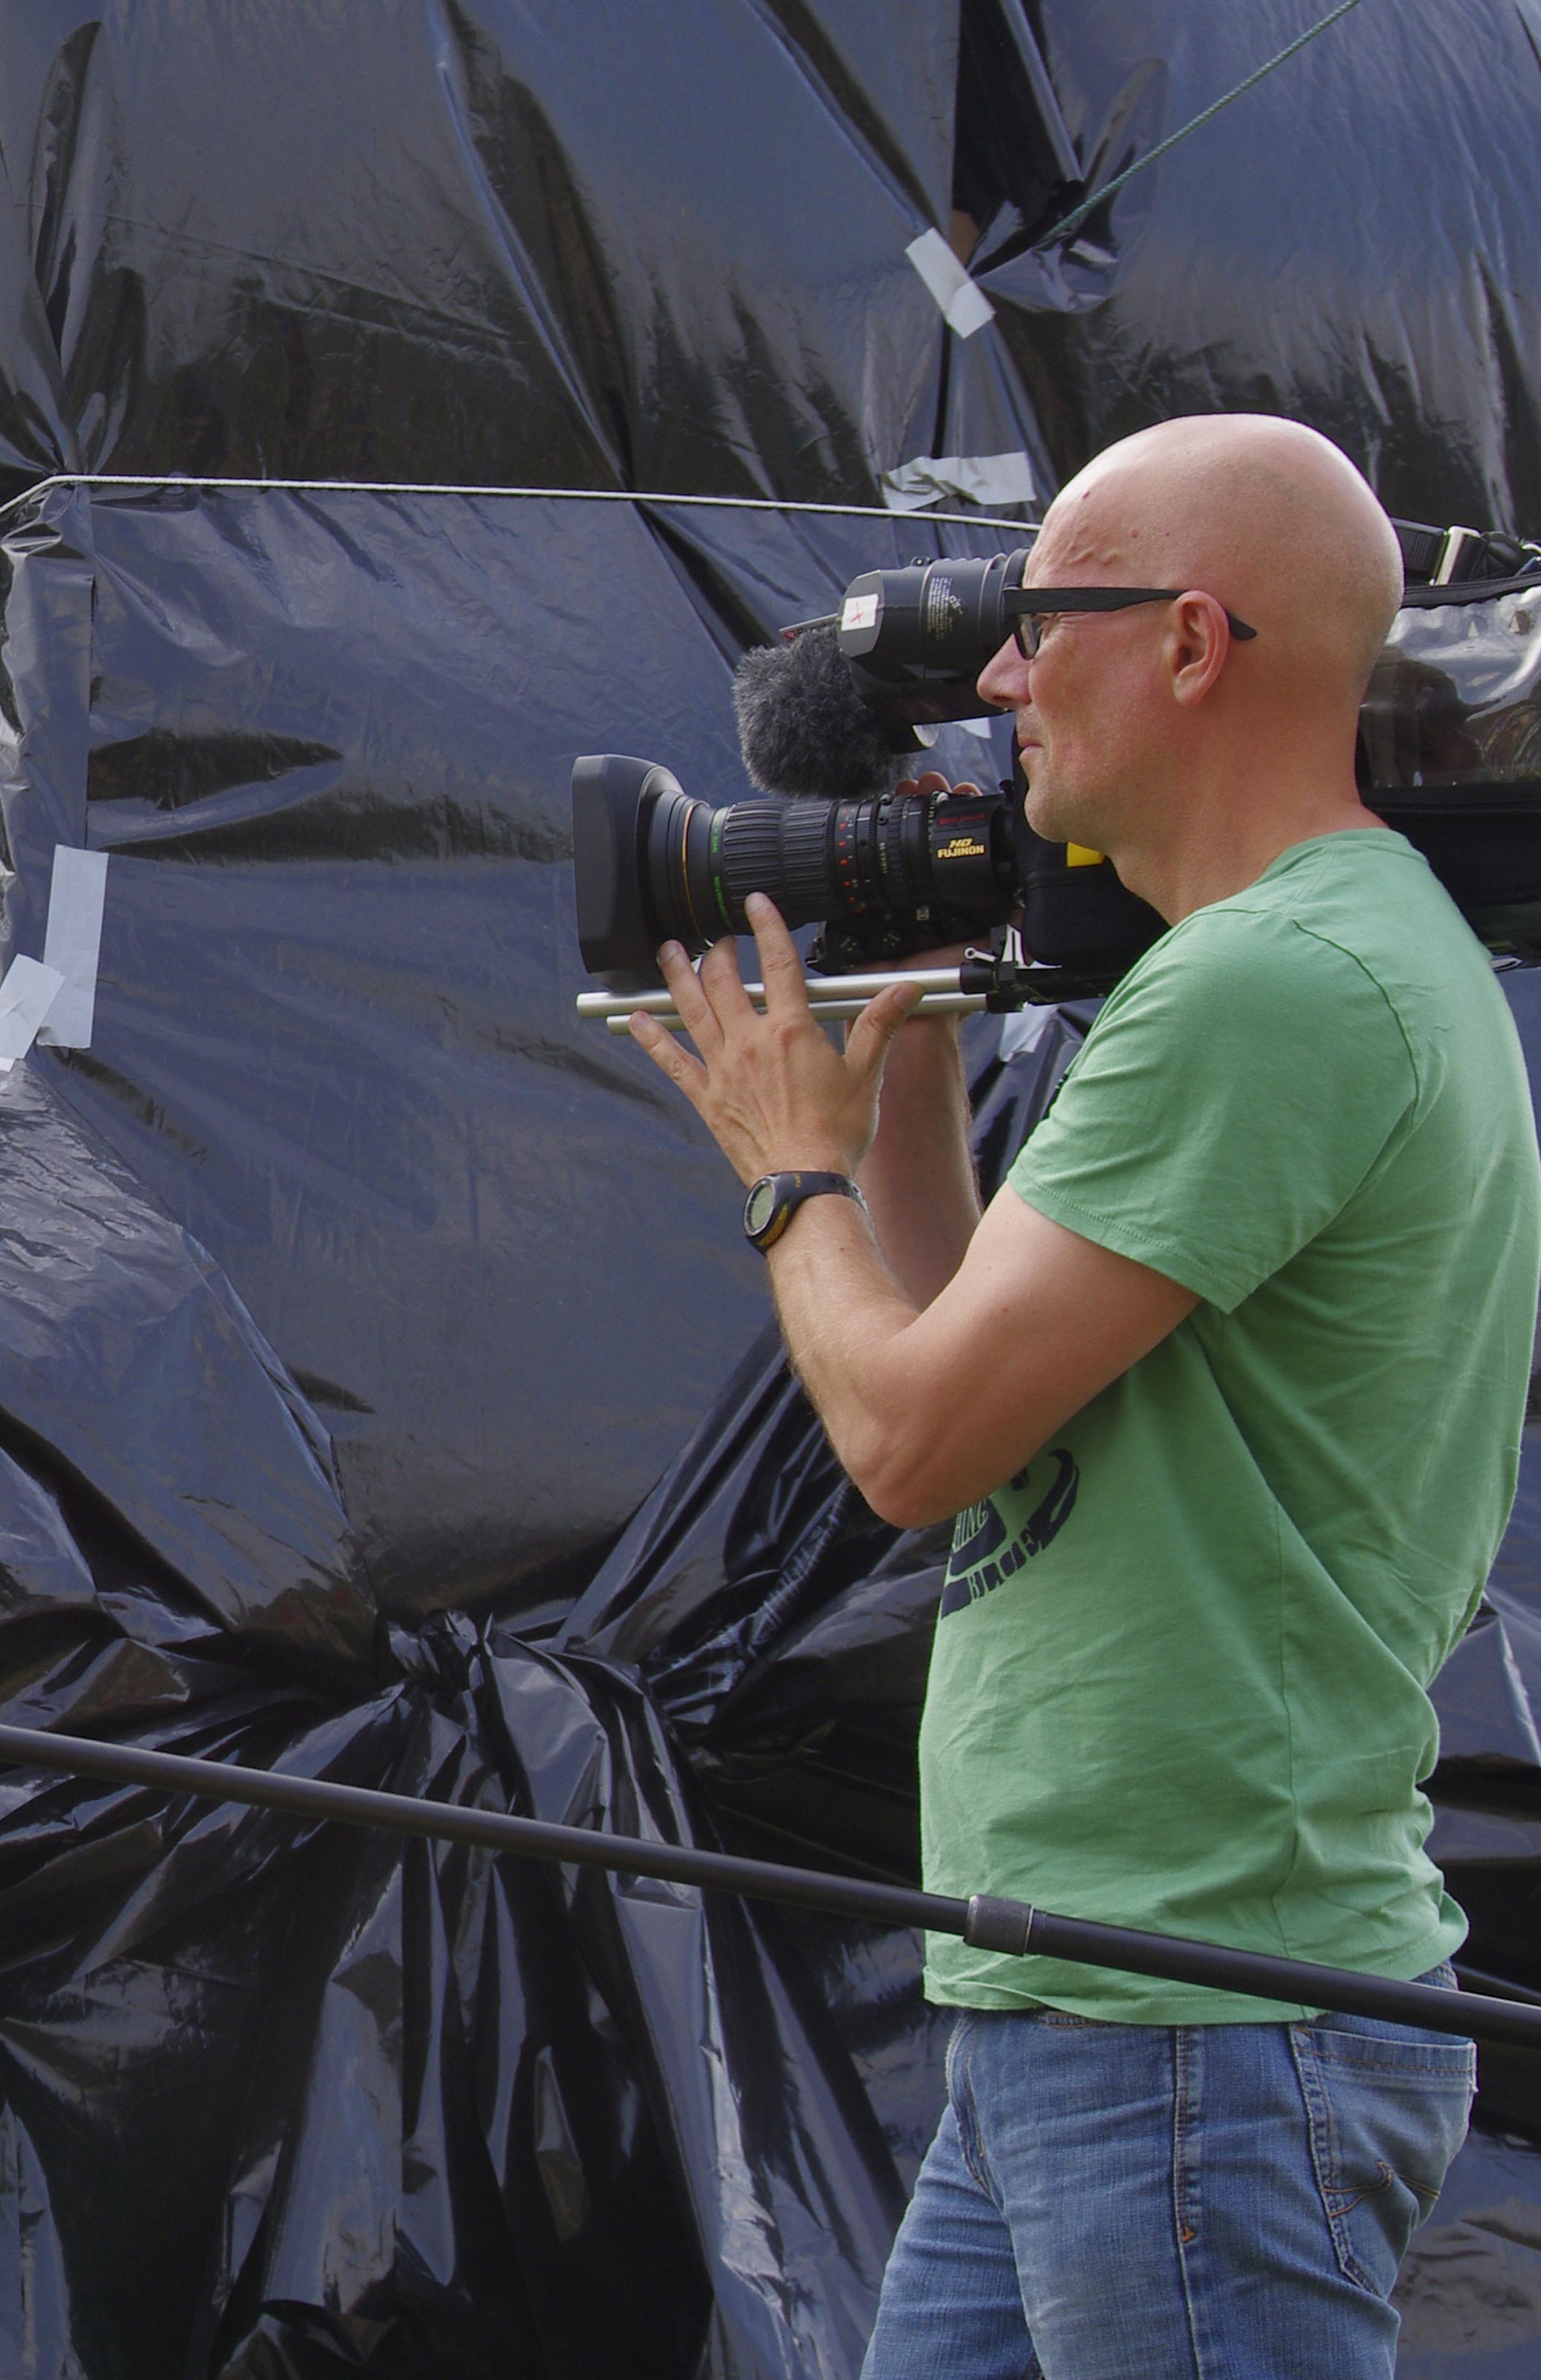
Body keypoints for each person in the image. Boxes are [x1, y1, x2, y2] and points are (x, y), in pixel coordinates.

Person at [627, 414, 1540, 2379]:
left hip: (1199, 2017)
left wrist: (789, 1174)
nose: (1008, 679)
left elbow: (903, 1442)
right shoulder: (1297, 963)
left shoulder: (1266, 989)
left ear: (1197, 643)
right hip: (1098, 1987)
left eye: (1046, 625)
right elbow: (989, 1393)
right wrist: (914, 1073)